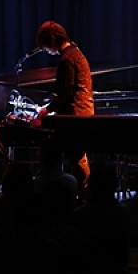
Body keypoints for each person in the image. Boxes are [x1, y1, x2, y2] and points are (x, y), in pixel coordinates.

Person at [32, 20, 94, 184]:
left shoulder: (67, 59)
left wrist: (46, 110)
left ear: (53, 39)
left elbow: (66, 93)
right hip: (83, 114)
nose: (47, 51)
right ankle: (81, 189)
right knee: (79, 158)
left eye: (46, 46)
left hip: (75, 116)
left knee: (75, 159)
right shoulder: (76, 52)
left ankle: (77, 190)